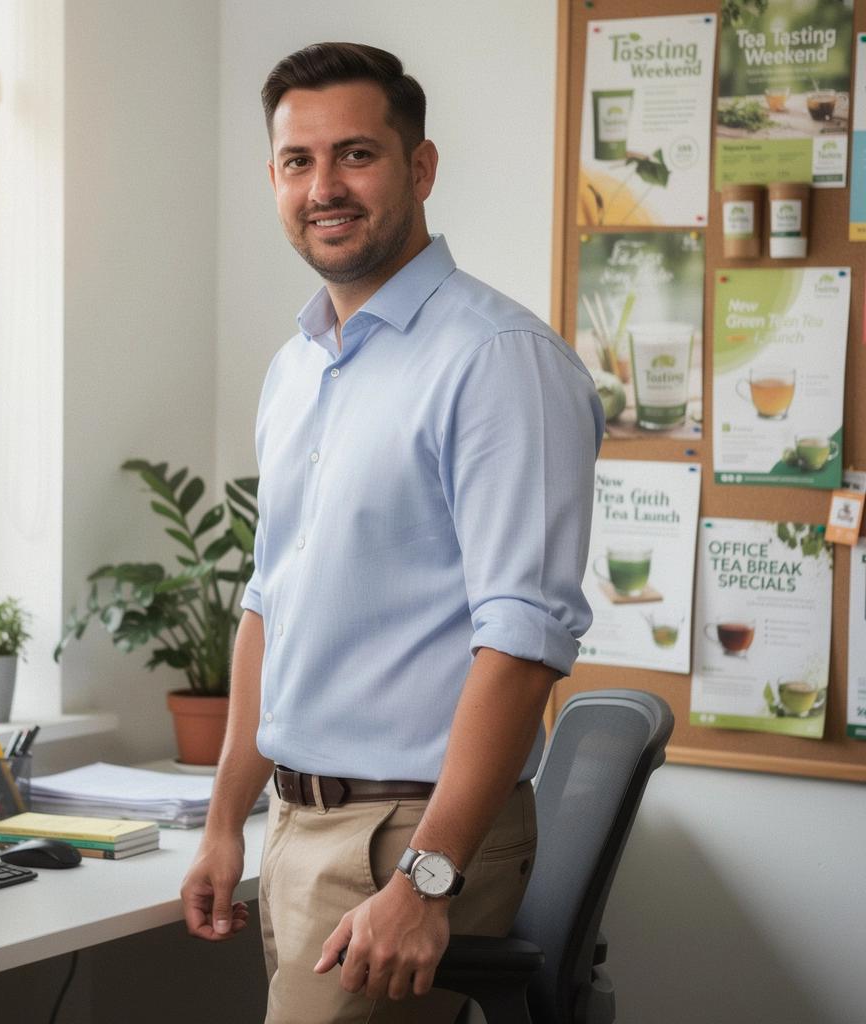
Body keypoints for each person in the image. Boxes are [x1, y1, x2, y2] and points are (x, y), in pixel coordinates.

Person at [180, 41, 603, 1024]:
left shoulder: (497, 361)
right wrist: (223, 823)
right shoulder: (297, 368)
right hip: (298, 823)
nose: (323, 186)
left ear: (419, 167)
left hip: (406, 835)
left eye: (356, 155)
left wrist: (427, 875)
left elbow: (523, 640)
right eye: (298, 161)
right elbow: (266, 605)